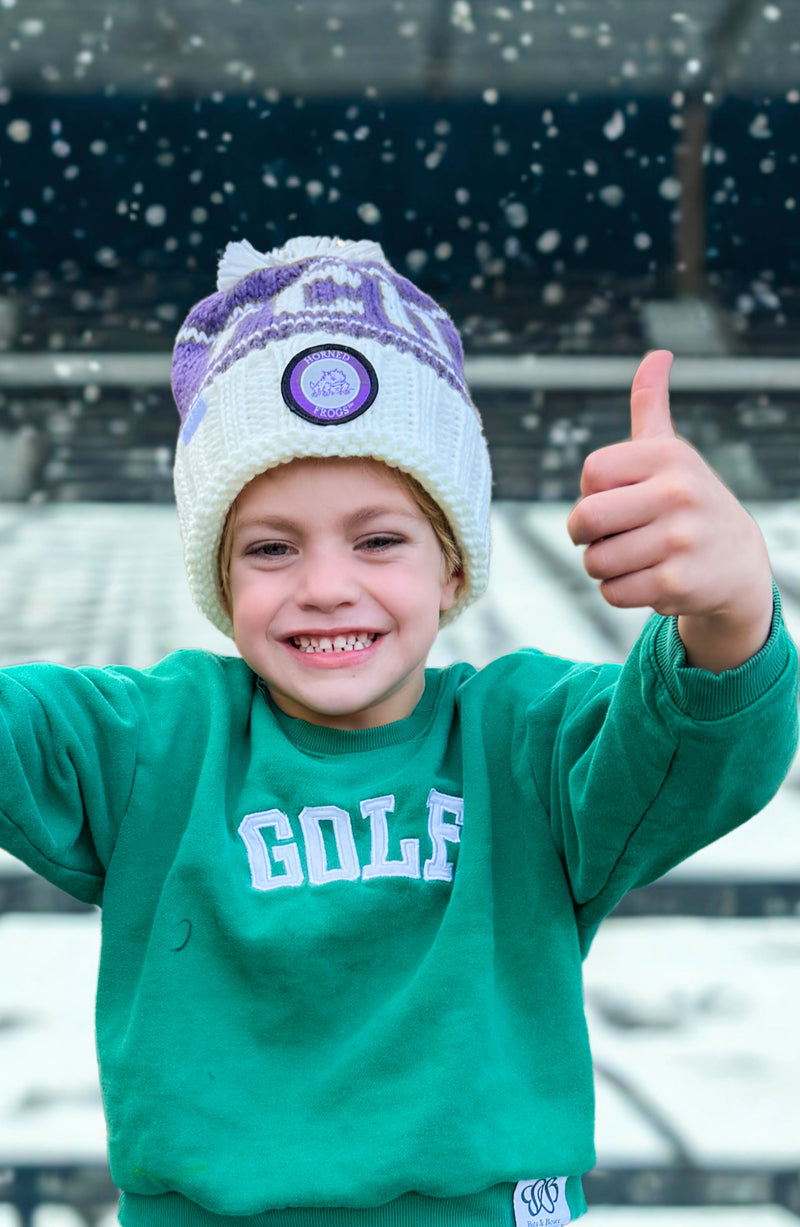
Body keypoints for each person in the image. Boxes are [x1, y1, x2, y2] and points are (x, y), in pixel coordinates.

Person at [0, 234, 797, 1227]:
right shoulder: (153, 741)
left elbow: (703, 740)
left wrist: (725, 608)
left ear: (453, 567)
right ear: (219, 580)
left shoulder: (526, 742)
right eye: (270, 546)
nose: (325, 586)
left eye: (379, 539)